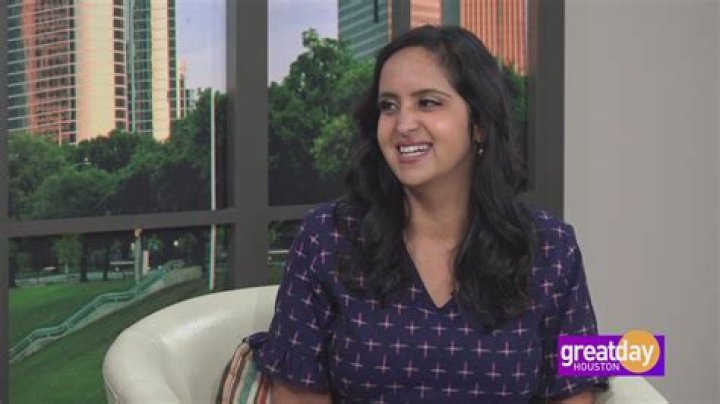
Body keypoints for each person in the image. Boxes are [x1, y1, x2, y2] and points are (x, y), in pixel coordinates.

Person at [247, 25, 608, 403]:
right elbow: (296, 392)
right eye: (388, 106)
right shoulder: (326, 236)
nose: (403, 125)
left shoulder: (554, 246)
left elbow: (578, 386)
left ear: (480, 124)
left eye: (428, 103)